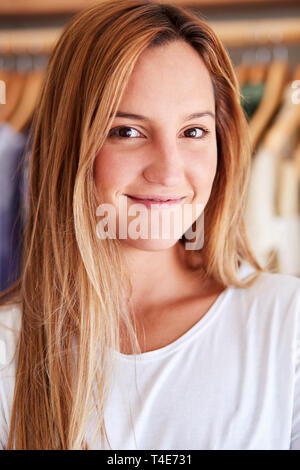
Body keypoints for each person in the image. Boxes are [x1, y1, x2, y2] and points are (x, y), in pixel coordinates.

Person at [0, 0, 299, 450]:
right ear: (71, 144)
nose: (169, 171)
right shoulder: (9, 348)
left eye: (193, 131)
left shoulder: (287, 326)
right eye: (127, 131)